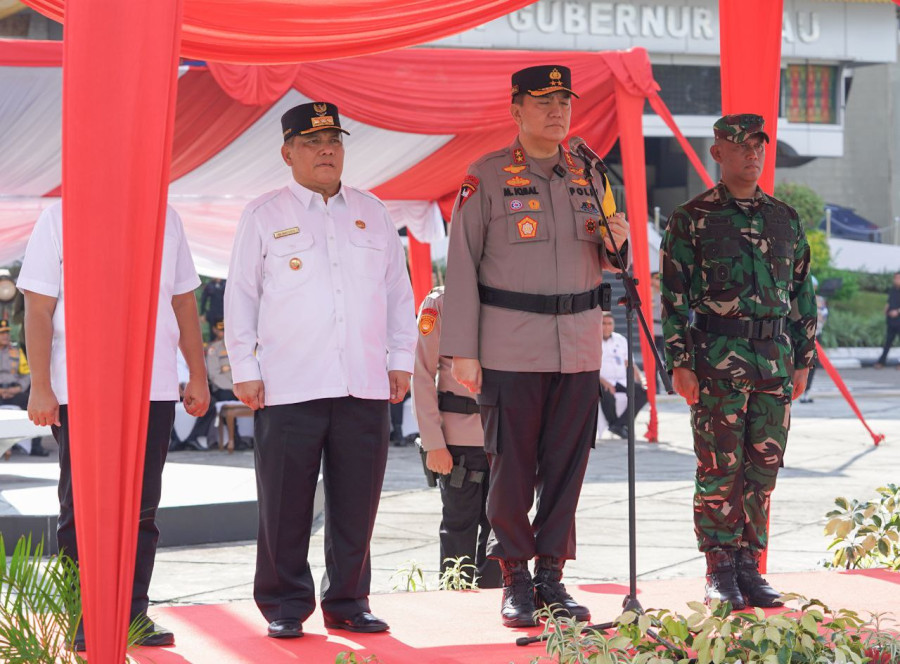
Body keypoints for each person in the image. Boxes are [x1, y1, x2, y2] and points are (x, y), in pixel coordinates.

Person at [440, 65, 630, 628]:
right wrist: (461, 350)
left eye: (564, 101)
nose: (557, 111)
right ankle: (516, 578)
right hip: (509, 346)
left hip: (576, 347)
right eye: (543, 101)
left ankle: (551, 576)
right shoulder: (489, 176)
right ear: (516, 109)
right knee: (512, 467)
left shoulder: (590, 177)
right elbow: (462, 264)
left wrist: (618, 241)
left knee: (568, 466)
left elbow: (607, 258)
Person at [225, 101, 416, 639]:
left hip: (363, 381)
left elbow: (398, 294)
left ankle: (349, 600)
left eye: (334, 139)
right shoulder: (264, 215)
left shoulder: (373, 211)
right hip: (289, 384)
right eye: (312, 142)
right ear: (288, 153)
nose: (327, 148)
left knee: (357, 501)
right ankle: (285, 603)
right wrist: (245, 366)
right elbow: (241, 296)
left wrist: (400, 359)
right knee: (285, 503)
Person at [18, 201, 210, 650]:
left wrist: (197, 374)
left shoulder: (166, 216)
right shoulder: (60, 216)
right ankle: (84, 615)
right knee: (83, 507)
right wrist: (41, 386)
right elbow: (39, 307)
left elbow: (183, 301)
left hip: (154, 384)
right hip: (82, 387)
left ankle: (133, 614)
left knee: (142, 508)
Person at [660, 114, 816, 610]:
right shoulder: (693, 218)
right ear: (717, 153)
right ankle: (719, 567)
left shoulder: (785, 218)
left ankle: (750, 564)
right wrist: (679, 361)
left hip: (774, 361)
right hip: (716, 362)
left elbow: (800, 293)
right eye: (740, 145)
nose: (752, 154)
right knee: (718, 466)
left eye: (758, 145)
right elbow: (673, 298)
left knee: (762, 467)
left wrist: (804, 355)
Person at [411, 286, 502, 590]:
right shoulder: (441, 302)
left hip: (503, 436)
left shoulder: (509, 294)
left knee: (501, 532)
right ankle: (455, 603)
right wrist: (433, 442)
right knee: (458, 529)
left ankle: (496, 603)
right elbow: (422, 374)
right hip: (457, 442)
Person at [0, 318, 48, 456]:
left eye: (7, 333)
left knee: (38, 405)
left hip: (14, 392)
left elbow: (27, 374)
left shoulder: (16, 351)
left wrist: (17, 388)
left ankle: (36, 446)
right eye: (2, 333)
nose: (6, 336)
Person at [598, 312, 647, 439]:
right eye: (603, 323)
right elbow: (590, 368)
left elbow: (630, 363)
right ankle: (616, 425)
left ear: (613, 325)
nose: (606, 327)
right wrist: (605, 382)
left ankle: (619, 425)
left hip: (621, 381)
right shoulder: (593, 341)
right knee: (606, 396)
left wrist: (641, 378)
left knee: (643, 392)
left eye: (609, 324)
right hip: (601, 381)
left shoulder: (621, 340)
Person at [799, 276, 827, 403]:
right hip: (801, 335)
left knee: (811, 365)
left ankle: (806, 391)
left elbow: (822, 318)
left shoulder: (819, 300)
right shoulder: (799, 297)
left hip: (814, 336)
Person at [873, 271, 900, 369]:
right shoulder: (892, 290)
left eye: (898, 278)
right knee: (888, 342)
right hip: (891, 321)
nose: (896, 280)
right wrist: (886, 309)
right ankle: (881, 361)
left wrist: (897, 311)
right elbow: (889, 301)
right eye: (895, 278)